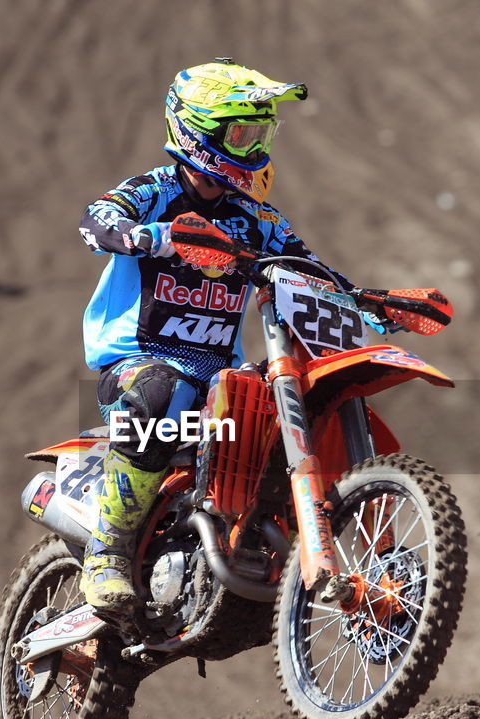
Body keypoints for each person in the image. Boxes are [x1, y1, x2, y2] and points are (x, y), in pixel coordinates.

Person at [76, 59, 395, 613]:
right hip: (137, 362)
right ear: (197, 130)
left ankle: (275, 549)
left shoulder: (256, 217)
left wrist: (367, 301)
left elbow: (308, 266)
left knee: (287, 412)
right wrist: (148, 237)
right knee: (159, 392)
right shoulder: (156, 190)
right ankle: (109, 552)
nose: (254, 148)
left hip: (216, 375)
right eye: (242, 134)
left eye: (262, 135)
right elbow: (97, 218)